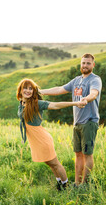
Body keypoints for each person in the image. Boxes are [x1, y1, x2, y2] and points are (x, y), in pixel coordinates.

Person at [40, 53, 102, 186]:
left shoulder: (95, 79)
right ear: (81, 64)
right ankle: (77, 183)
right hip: (77, 123)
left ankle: (85, 185)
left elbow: (94, 93)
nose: (85, 65)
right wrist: (41, 91)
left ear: (93, 65)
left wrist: (86, 98)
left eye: (88, 63)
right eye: (83, 63)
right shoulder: (76, 80)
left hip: (89, 122)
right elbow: (59, 89)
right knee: (78, 154)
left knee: (87, 155)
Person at [16, 78, 87, 190]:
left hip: (42, 139)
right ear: (20, 90)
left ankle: (66, 186)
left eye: (31, 89)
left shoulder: (37, 103)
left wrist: (75, 103)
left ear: (34, 91)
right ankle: (59, 183)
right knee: (49, 163)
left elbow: (56, 105)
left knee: (55, 164)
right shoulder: (22, 103)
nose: (28, 91)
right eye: (25, 88)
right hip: (35, 140)